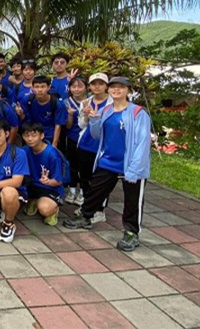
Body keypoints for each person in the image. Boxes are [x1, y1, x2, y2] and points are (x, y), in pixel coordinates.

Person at [64, 76, 152, 252]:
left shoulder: (138, 113)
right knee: (96, 189)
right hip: (108, 160)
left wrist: (134, 170)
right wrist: (94, 118)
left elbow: (143, 143)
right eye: (113, 87)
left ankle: (131, 232)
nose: (116, 90)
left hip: (130, 164)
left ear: (128, 90)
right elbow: (97, 135)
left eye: (121, 87)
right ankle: (86, 216)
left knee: (133, 200)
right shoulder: (107, 110)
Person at [72, 73, 113, 223]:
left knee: (101, 180)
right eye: (94, 83)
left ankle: (100, 210)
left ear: (106, 86)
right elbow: (81, 125)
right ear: (89, 86)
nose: (97, 86)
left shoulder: (112, 103)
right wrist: (87, 115)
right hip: (85, 144)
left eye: (100, 83)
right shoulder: (86, 102)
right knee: (85, 178)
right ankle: (87, 206)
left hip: (103, 146)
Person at [21, 122, 69, 226]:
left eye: (34, 135)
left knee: (44, 209)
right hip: (32, 185)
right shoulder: (25, 150)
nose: (30, 139)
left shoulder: (52, 154)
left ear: (42, 136)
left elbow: (58, 181)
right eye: (26, 135)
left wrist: (48, 181)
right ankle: (33, 199)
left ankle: (53, 208)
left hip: (50, 188)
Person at [16, 75, 67, 146]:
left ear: (48, 87)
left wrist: (54, 144)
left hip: (49, 135)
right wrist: (21, 114)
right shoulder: (27, 100)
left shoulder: (57, 104)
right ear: (32, 88)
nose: (40, 90)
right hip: (32, 133)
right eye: (37, 87)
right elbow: (24, 119)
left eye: (43, 86)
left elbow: (58, 125)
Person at [64, 76, 89, 205]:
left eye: (80, 86)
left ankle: (84, 192)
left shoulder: (91, 101)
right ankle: (72, 190)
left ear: (86, 87)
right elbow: (67, 126)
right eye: (74, 86)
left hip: (87, 139)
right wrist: (69, 114)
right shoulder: (67, 102)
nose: (76, 89)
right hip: (72, 137)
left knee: (85, 166)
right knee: (72, 164)